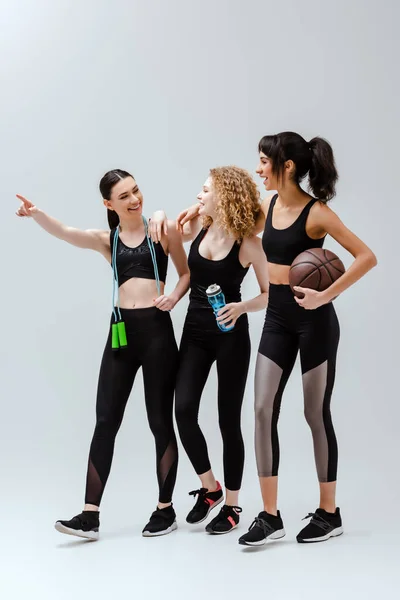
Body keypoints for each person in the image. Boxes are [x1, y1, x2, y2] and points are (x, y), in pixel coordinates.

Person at [175, 133, 377, 545]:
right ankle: (270, 516)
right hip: (277, 320)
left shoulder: (317, 213)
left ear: (286, 166)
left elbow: (366, 256)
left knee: (314, 415)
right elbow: (228, 219)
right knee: (262, 410)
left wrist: (326, 294)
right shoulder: (266, 207)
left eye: (264, 161)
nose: (258, 168)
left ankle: (329, 513)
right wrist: (197, 209)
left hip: (314, 322)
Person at [15, 169, 190, 539]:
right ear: (108, 204)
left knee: (160, 422)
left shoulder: (162, 230)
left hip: (157, 333)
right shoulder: (107, 240)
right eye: (124, 195)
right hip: (121, 335)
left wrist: (173, 296)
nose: (134, 199)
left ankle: (165, 509)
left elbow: (185, 274)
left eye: (136, 190)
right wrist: (37, 214)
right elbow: (66, 233)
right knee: (105, 421)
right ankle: (90, 515)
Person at [150, 166, 269, 534]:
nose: (199, 195)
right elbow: (167, 230)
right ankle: (209, 487)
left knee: (228, 421)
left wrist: (241, 307)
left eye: (205, 190)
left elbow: (268, 294)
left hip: (231, 334)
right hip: (196, 332)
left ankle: (232, 506)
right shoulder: (198, 226)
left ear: (224, 196)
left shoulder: (249, 242)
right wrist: (158, 214)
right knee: (183, 410)